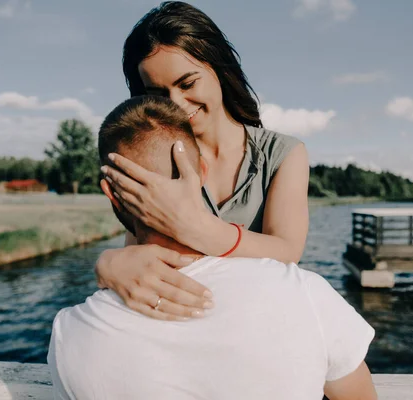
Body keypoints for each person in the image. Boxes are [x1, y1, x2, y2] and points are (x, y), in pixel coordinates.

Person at [47, 95, 377, 400]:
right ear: (201, 172)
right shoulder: (307, 297)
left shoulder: (70, 336)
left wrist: (106, 262)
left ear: (109, 192)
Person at [96, 1, 310, 321]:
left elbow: (287, 253)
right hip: (186, 327)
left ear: (220, 69)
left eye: (187, 83)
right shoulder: (155, 157)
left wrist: (193, 226)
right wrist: (107, 264)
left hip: (263, 322)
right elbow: (138, 250)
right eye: (157, 92)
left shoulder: (285, 154)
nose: (176, 104)